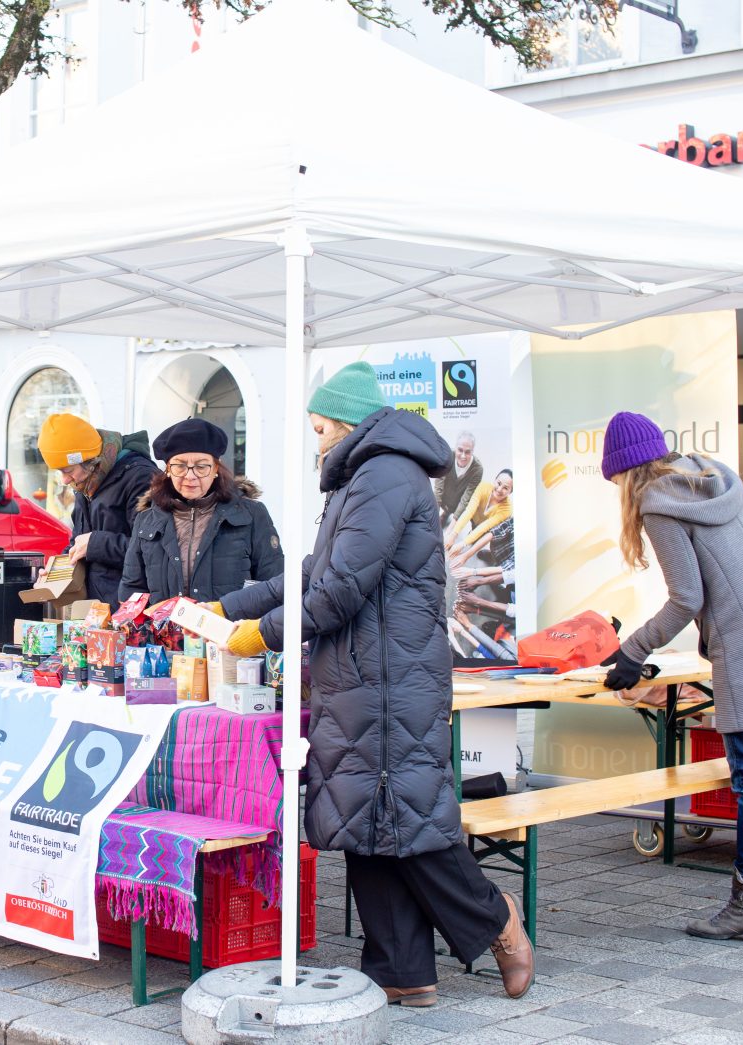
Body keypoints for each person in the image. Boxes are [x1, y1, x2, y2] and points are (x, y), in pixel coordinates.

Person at [216, 361, 533, 1005]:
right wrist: (233, 606)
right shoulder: (365, 478)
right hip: (361, 677)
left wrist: (259, 633)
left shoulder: (384, 475)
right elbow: (313, 570)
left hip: (390, 679)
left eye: (319, 425)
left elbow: (335, 592)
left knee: (407, 820)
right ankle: (402, 971)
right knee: (363, 819)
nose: (316, 438)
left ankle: (496, 918)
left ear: (344, 421)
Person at [599, 411, 743, 943]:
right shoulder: (715, 473)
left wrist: (632, 651)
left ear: (626, 474)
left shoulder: (658, 503)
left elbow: (687, 599)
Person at [117, 418, 282, 605]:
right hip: (165, 633)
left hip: (230, 633)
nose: (190, 476)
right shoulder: (147, 520)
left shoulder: (251, 514)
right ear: (168, 470)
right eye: (179, 466)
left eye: (201, 466)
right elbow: (132, 590)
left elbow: (272, 584)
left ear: (216, 468)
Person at [36, 412, 158, 607]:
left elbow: (152, 550)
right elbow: (79, 541)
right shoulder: (86, 482)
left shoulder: (141, 478)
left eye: (67, 470)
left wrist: (94, 544)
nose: (64, 480)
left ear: (91, 462)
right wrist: (57, 570)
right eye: (59, 472)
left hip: (130, 609)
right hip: (95, 608)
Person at [445, 469, 512, 552]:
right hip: (474, 517)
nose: (499, 489)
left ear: (510, 492)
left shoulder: (507, 509)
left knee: (476, 537)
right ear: (495, 480)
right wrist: (454, 534)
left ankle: (475, 539)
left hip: (487, 527)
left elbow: (485, 526)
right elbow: (469, 511)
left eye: (505, 488)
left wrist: (463, 543)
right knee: (464, 505)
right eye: (498, 483)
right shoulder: (483, 487)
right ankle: (446, 514)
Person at [433, 430, 483, 525]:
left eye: (468, 452)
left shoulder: (477, 469)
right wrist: (435, 514)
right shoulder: (446, 457)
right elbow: (438, 488)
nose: (463, 456)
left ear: (473, 451)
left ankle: (448, 514)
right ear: (455, 447)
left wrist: (454, 522)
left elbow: (467, 497)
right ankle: (443, 513)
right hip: (443, 501)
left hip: (459, 506)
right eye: (460, 450)